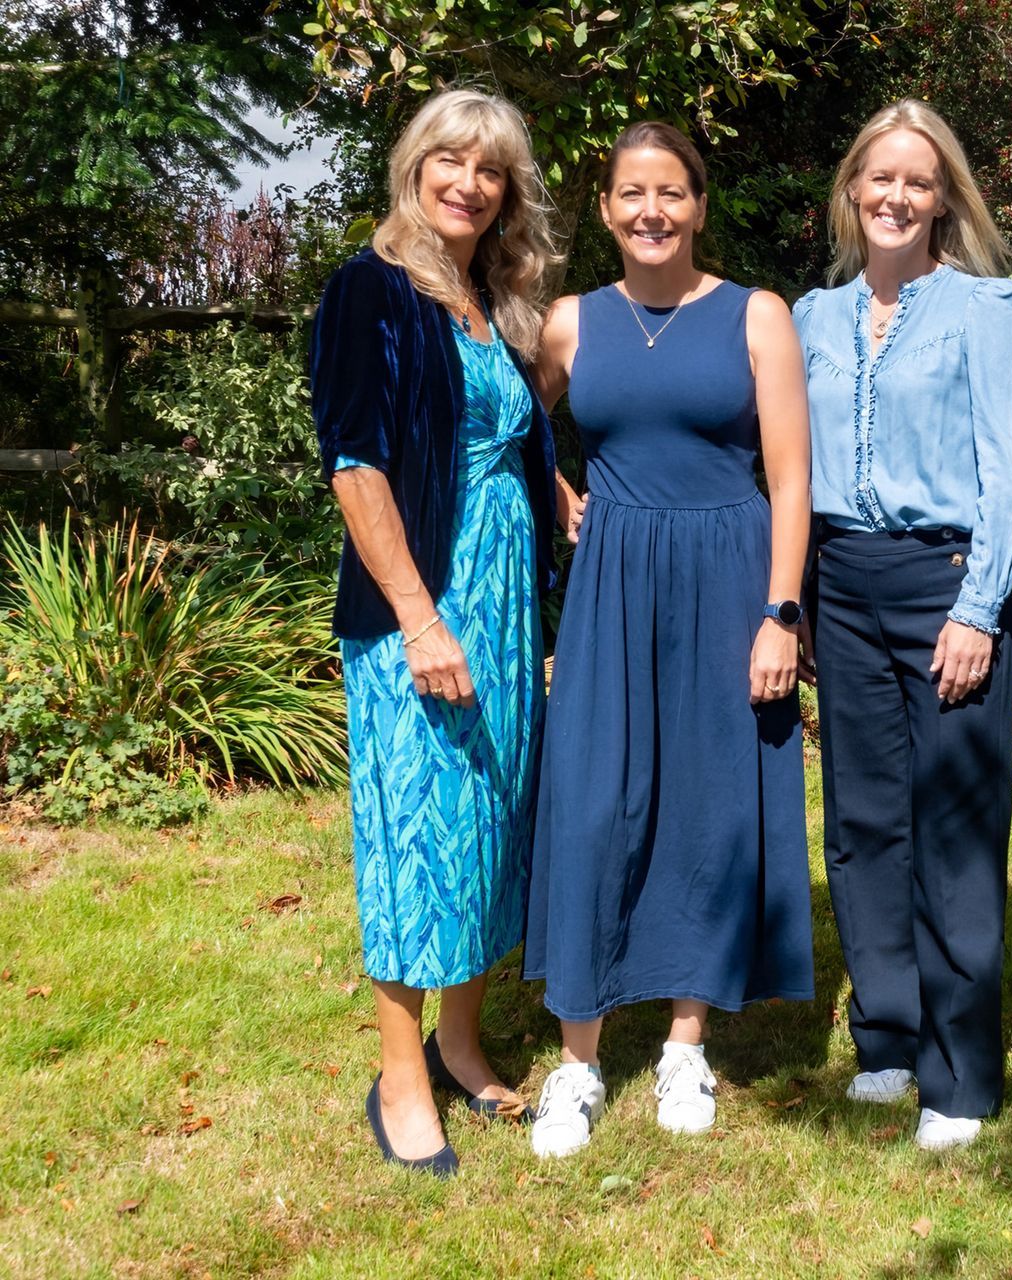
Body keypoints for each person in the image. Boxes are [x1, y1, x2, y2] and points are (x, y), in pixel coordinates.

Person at [521, 120, 814, 1158]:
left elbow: (790, 478)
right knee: (595, 800)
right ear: (605, 209)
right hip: (613, 587)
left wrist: (782, 612)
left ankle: (686, 1042)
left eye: (672, 193)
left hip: (730, 578)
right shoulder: (569, 323)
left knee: (706, 800)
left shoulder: (754, 316)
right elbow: (505, 426)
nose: (652, 211)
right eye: (632, 193)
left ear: (699, 205)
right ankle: (579, 1058)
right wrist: (557, 491)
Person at [311, 88, 577, 1176]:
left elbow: (508, 436)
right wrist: (420, 618)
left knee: (489, 821)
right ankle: (400, 1074)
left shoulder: (486, 298)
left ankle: (462, 1040)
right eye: (451, 162)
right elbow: (357, 462)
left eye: (491, 170)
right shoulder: (368, 292)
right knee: (416, 836)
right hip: (418, 605)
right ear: (414, 167)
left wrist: (560, 498)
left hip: (507, 606)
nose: (469, 184)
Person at [792, 100, 1012, 1153]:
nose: (895, 197)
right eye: (879, 178)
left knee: (954, 829)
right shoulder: (810, 316)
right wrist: (795, 596)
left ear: (945, 200)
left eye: (918, 183)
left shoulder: (987, 305)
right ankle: (886, 1041)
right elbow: (791, 472)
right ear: (853, 190)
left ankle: (962, 1074)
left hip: (943, 581)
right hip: (840, 581)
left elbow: (1008, 471)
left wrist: (980, 604)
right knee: (864, 820)